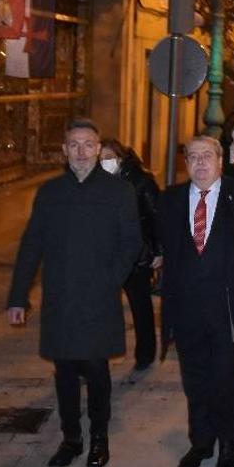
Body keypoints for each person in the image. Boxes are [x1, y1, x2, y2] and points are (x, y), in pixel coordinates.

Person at [7, 119, 140, 467]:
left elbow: (131, 245)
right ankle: (71, 439)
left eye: (88, 144)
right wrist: (17, 296)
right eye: (74, 145)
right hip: (61, 300)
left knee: (97, 372)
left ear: (99, 149)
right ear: (64, 151)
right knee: (64, 372)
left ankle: (99, 438)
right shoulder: (50, 193)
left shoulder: (119, 192)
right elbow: (31, 245)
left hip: (98, 299)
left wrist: (109, 281)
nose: (81, 151)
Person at [156, 136, 234, 467]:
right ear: (185, 162)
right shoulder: (171, 199)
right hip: (187, 307)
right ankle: (201, 441)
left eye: (207, 156)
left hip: (227, 308)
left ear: (221, 160)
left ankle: (228, 442)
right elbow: (167, 248)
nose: (200, 163)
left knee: (227, 378)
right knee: (195, 378)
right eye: (193, 157)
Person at [99, 139, 161, 372]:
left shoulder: (141, 181)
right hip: (105, 256)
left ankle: (145, 353)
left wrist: (159, 251)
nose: (104, 162)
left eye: (108, 157)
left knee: (140, 306)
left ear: (121, 156)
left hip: (137, 254)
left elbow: (157, 217)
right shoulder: (95, 182)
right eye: (101, 158)